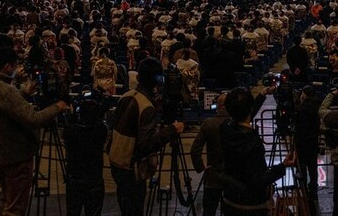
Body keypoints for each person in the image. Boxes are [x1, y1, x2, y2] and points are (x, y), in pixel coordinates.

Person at [0, 46, 68, 216]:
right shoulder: (4, 89)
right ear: (7, 66)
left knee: (6, 202)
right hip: (16, 155)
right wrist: (58, 107)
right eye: (15, 66)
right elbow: (33, 118)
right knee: (15, 209)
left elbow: (3, 106)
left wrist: (24, 92)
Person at [108, 58, 184, 216]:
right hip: (131, 168)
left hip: (116, 162)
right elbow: (147, 143)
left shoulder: (126, 95)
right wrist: (171, 130)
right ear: (158, 81)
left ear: (138, 77)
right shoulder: (146, 106)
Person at [218, 87, 296, 215]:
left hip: (230, 200)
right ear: (249, 109)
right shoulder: (253, 143)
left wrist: (262, 95)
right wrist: (282, 166)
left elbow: (242, 115)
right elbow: (258, 182)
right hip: (251, 207)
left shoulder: (225, 128)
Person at [64, 99, 108, 216]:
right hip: (94, 179)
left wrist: (73, 115)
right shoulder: (100, 130)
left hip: (75, 179)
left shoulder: (71, 131)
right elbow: (100, 122)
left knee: (73, 212)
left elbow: (68, 129)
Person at [190, 93, 231, 216]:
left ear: (218, 106)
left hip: (212, 176)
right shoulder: (235, 124)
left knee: (209, 211)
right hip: (231, 177)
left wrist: (201, 167)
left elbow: (195, 149)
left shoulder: (209, 123)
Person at [293, 85, 321, 215]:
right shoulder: (317, 106)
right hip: (313, 141)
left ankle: (303, 187)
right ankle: (313, 189)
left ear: (304, 95)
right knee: (313, 166)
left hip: (302, 141)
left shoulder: (301, 109)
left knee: (302, 165)